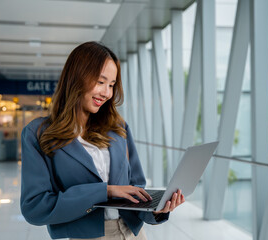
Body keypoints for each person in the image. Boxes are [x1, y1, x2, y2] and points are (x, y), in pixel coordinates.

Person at [20, 41, 185, 240]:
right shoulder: (38, 133)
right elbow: (35, 208)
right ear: (76, 78)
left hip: (134, 234)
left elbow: (136, 189)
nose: (107, 93)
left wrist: (157, 210)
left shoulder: (118, 128)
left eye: (112, 85)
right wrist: (104, 192)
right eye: (100, 82)